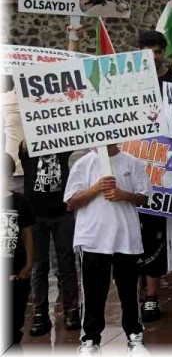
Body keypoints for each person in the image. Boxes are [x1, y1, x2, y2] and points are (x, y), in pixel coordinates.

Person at [18, 33, 81, 336]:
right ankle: (40, 313)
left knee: (67, 264)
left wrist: (72, 46)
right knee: (39, 266)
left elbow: (65, 88)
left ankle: (72, 309)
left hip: (63, 210)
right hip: (36, 212)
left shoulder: (63, 140)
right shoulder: (26, 145)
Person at [65, 145, 151, 355]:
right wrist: (95, 189)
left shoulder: (132, 161)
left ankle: (134, 336)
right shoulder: (83, 163)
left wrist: (123, 194)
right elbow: (71, 202)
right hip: (93, 238)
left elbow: (145, 197)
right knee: (93, 292)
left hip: (126, 238)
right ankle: (90, 340)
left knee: (129, 291)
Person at [135, 30, 172, 323]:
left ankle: (155, 293)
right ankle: (144, 294)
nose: (152, 56)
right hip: (136, 163)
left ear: (164, 51)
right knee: (139, 230)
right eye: (146, 50)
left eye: (157, 50)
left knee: (161, 229)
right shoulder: (128, 83)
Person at [4, 155, 34, 351]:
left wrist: (28, 266)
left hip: (16, 274)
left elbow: (27, 234)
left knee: (13, 325)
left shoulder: (19, 201)